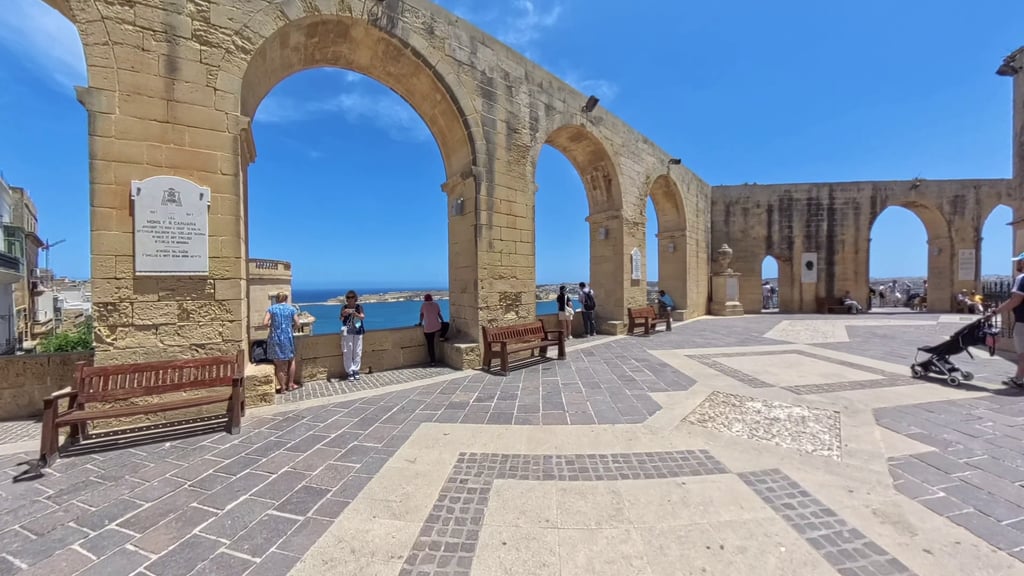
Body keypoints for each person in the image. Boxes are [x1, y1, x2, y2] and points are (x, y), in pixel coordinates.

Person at [990, 253, 1024, 387]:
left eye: (1019, 261)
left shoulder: (1021, 279)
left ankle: (1019, 379)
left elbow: (1015, 300)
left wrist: (995, 311)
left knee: (1023, 353)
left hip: (1023, 321)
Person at [263, 292, 300, 393]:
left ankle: (283, 387)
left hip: (275, 337)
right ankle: (291, 384)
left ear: (276, 299)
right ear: (286, 299)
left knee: (278, 364)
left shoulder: (272, 309)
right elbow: (297, 323)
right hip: (287, 337)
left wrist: (273, 327)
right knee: (291, 360)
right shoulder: (291, 309)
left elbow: (265, 323)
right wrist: (291, 328)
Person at [340, 290, 366, 381]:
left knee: (357, 351)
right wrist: (344, 313)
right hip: (347, 331)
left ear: (355, 298)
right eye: (348, 297)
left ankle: (356, 370)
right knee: (348, 351)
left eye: (352, 297)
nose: (350, 299)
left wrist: (357, 314)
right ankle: (349, 371)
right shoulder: (344, 307)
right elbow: (341, 319)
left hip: (358, 330)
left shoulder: (359, 307)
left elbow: (363, 317)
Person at [418, 293, 448, 366]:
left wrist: (420, 322)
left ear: (425, 299)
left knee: (430, 345)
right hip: (436, 327)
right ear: (431, 298)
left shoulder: (423, 305)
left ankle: (432, 361)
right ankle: (441, 337)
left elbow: (422, 315)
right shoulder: (436, 304)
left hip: (427, 329)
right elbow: (439, 314)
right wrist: (442, 321)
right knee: (446, 325)